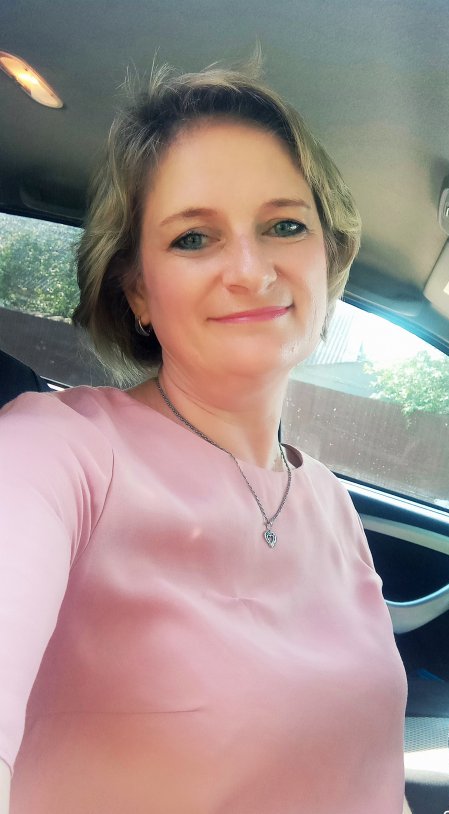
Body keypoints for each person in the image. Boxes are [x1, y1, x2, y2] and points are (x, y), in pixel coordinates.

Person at [0, 64, 407, 813]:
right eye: (194, 238)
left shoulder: (332, 504)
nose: (251, 271)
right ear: (138, 290)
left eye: (285, 225)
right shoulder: (54, 454)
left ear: (329, 257)